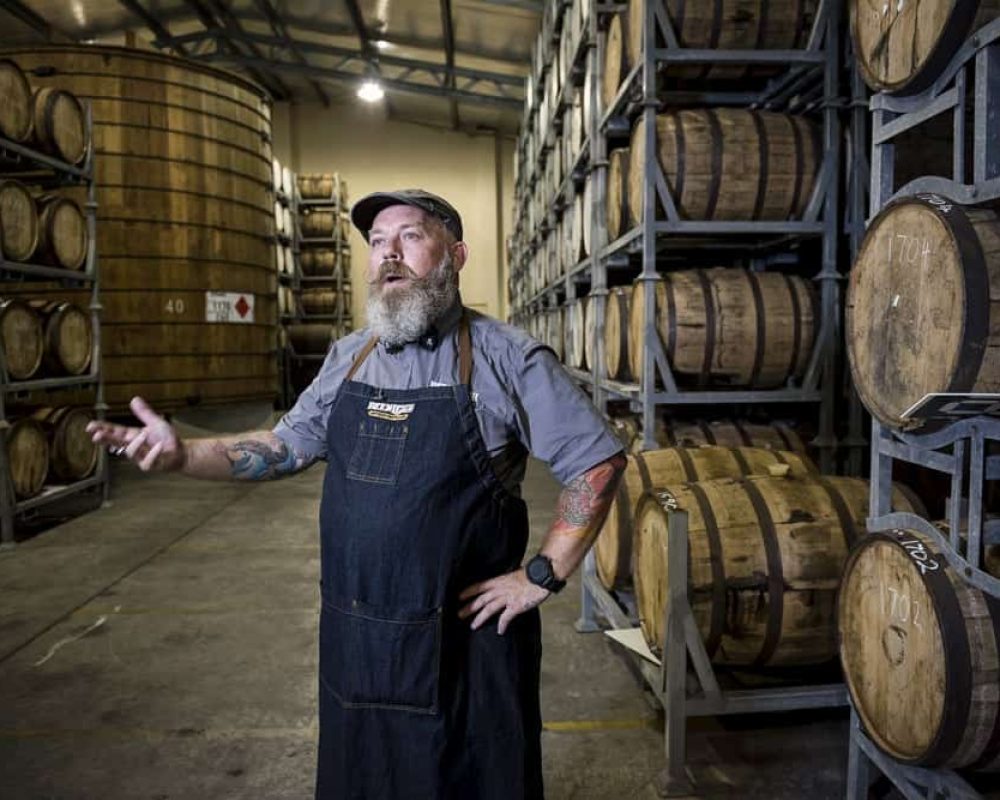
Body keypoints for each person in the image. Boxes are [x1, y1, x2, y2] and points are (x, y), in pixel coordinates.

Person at [87, 189, 626, 800]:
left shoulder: (505, 357)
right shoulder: (349, 358)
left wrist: (542, 574)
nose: (389, 255)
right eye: (376, 243)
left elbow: (596, 459)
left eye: (411, 237)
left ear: (456, 254)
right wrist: (185, 453)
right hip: (359, 640)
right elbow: (283, 446)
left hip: (463, 649)